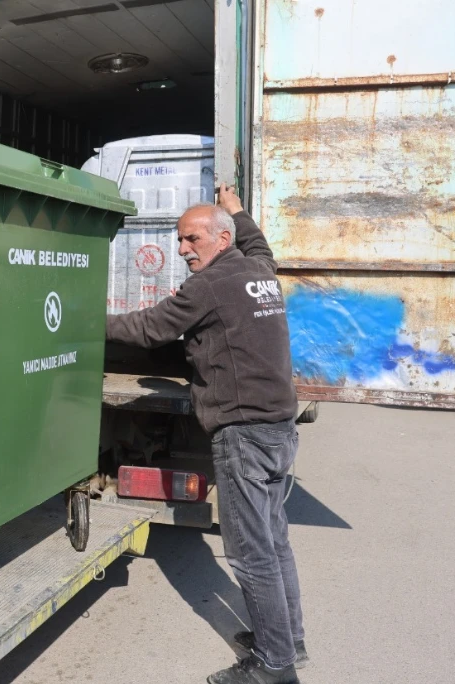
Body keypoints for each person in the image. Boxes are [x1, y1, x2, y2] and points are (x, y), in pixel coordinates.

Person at [105, 186, 307, 684]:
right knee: (275, 542)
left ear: (220, 239)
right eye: (178, 240)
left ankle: (274, 669)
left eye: (190, 238)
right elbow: (258, 242)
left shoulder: (211, 285)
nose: (181, 249)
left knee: (250, 553)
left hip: (243, 431)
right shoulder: (257, 269)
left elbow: (151, 327)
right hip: (279, 426)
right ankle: (288, 643)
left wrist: (76, 321)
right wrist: (236, 206)